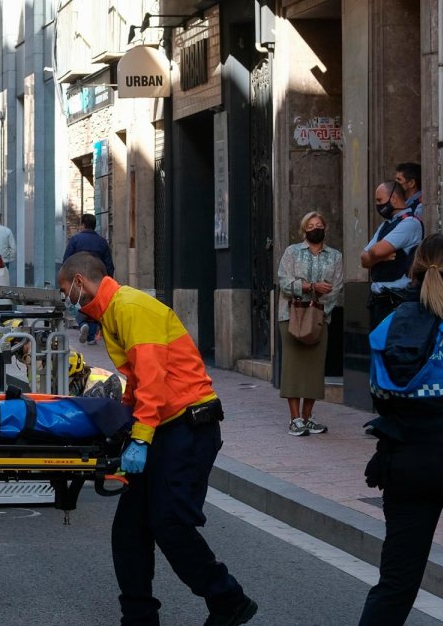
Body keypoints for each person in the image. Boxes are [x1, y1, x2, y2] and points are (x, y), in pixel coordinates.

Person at [58, 252, 257, 626]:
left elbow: (154, 382)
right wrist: (127, 426)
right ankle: (139, 617)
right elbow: (137, 382)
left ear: (80, 283)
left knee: (169, 523)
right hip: (166, 427)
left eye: (65, 289)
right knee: (130, 529)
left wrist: (141, 440)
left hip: (189, 427)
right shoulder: (114, 313)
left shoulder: (131, 307)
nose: (66, 298)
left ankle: (228, 599)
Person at [359, 235, 443, 624]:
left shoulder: (387, 327)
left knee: (396, 582)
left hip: (405, 463)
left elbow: (380, 397)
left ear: (413, 272)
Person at [276, 212, 344, 437]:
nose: (315, 228)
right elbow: (284, 281)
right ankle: (294, 419)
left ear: (325, 227)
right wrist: (309, 287)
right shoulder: (292, 252)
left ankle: (307, 416)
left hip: (319, 317)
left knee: (315, 368)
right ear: (304, 230)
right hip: (291, 316)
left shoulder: (335, 256)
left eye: (319, 225)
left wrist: (322, 309)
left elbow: (337, 287)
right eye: (310, 226)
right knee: (294, 366)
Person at [361, 181, 424, 328]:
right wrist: (379, 258)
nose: (378, 205)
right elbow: (364, 259)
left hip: (397, 300)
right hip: (378, 300)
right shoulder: (386, 224)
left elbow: (375, 251)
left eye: (379, 200)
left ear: (394, 198)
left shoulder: (410, 223)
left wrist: (375, 256)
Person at [63, 213, 115, 344]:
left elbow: (66, 260)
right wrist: (108, 280)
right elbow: (109, 264)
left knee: (77, 304)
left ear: (82, 225)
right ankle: (91, 336)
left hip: (78, 278)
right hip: (96, 280)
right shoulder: (102, 242)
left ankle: (82, 324)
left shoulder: (75, 240)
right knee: (93, 305)